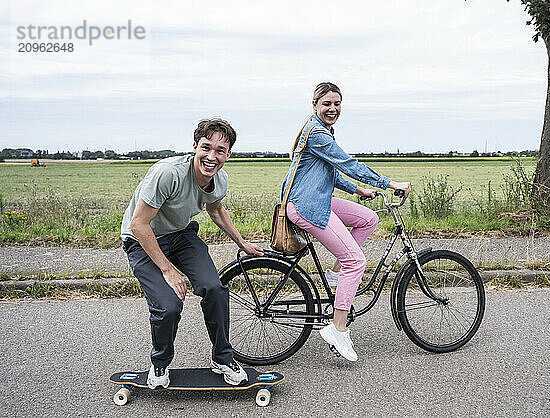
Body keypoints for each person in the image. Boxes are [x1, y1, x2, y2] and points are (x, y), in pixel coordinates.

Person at [121, 118, 263, 388]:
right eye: (206, 147)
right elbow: (138, 224)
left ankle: (223, 358)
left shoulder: (219, 179)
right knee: (168, 305)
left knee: (214, 288)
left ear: (228, 155)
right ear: (195, 146)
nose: (211, 156)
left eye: (220, 151)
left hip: (181, 235)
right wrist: (168, 270)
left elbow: (216, 209)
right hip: (142, 239)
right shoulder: (169, 173)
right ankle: (160, 364)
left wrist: (242, 243)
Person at [281, 82, 411, 362]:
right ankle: (337, 328)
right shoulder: (316, 133)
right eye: (327, 104)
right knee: (357, 261)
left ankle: (336, 276)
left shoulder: (323, 130)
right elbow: (349, 165)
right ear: (314, 105)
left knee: (368, 218)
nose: (333, 109)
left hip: (315, 198)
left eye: (337, 104)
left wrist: (358, 190)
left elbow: (328, 172)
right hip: (307, 206)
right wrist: (389, 183)